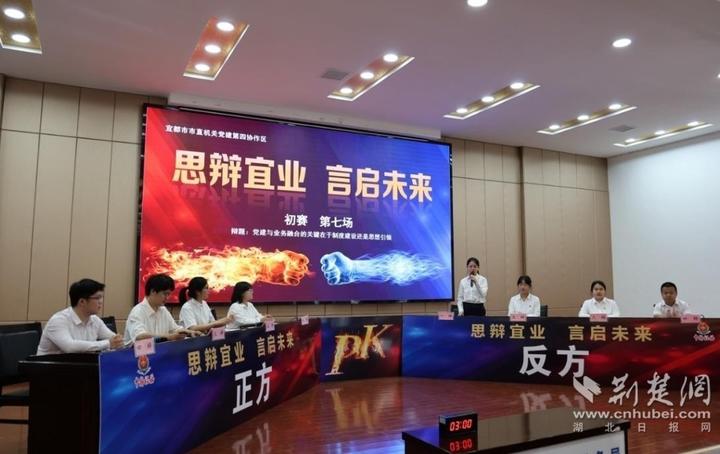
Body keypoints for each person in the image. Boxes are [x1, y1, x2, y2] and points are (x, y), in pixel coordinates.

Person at [37, 279, 123, 355]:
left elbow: (114, 339)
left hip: (78, 365)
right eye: (97, 298)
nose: (101, 302)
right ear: (82, 301)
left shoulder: (95, 320)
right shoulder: (58, 320)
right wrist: (108, 343)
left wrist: (118, 341)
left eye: (101, 297)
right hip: (49, 366)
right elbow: (69, 347)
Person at [124, 274, 201, 342]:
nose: (167, 298)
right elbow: (140, 336)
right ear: (153, 291)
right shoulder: (137, 311)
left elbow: (175, 329)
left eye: (169, 294)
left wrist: (189, 332)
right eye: (165, 294)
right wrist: (168, 337)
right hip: (137, 353)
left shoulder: (163, 310)